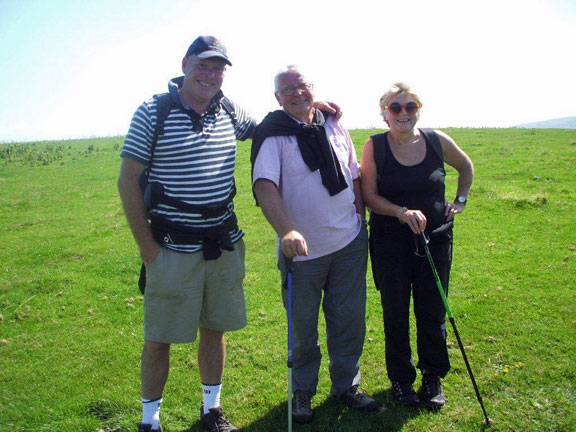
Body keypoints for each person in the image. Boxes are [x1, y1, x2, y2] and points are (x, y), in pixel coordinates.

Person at [118, 37, 342, 432]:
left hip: (223, 242)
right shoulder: (153, 111)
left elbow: (270, 130)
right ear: (186, 64)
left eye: (219, 68)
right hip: (170, 246)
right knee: (159, 337)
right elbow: (128, 181)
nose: (211, 75)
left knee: (214, 328)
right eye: (203, 65)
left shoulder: (228, 108)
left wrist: (308, 107)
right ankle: (149, 421)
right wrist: (148, 249)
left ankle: (212, 411)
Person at [251, 65, 378, 424]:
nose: (296, 92)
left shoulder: (334, 123)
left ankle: (346, 386)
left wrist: (360, 218)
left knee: (349, 319)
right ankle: (303, 391)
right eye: (286, 89)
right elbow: (264, 186)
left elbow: (354, 174)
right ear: (277, 98)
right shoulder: (272, 134)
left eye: (301, 85)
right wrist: (286, 231)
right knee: (302, 328)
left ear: (312, 88)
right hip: (302, 253)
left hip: (350, 242)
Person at [360, 82, 474, 409]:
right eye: (395, 108)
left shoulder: (438, 141)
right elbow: (368, 195)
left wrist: (460, 200)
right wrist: (400, 212)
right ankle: (401, 381)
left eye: (410, 107)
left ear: (418, 109)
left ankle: (432, 377)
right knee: (395, 311)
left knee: (433, 310)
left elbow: (465, 167)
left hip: (435, 240)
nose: (403, 113)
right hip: (390, 243)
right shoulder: (375, 146)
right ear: (384, 114)